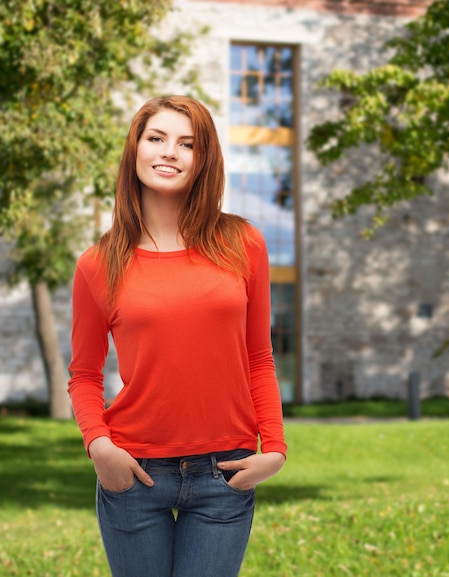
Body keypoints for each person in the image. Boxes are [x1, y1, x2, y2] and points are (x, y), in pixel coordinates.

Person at [68, 95, 287, 577]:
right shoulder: (98, 264)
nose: (170, 152)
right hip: (135, 470)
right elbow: (83, 374)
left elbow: (259, 357)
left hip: (224, 474)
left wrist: (273, 448)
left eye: (187, 144)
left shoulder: (242, 244)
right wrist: (99, 446)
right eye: (157, 138)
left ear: (203, 159)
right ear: (136, 150)